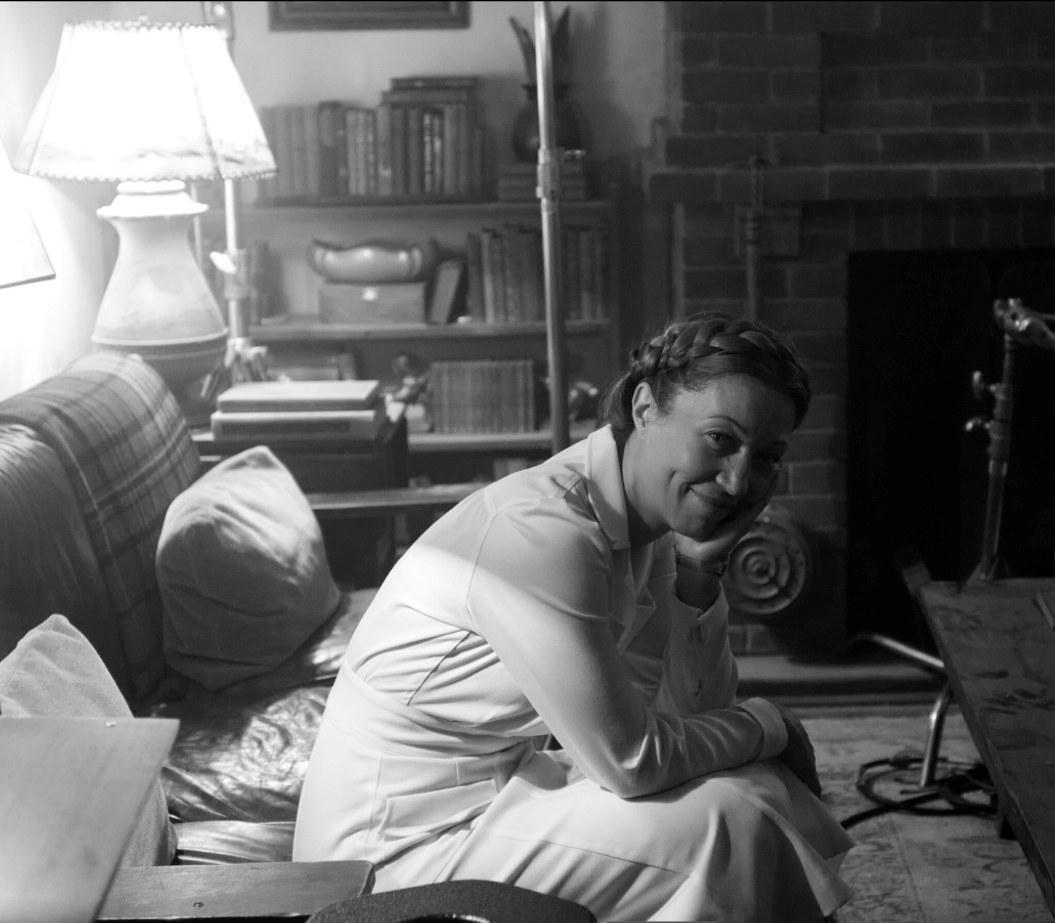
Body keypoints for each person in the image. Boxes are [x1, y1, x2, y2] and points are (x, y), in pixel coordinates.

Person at [291, 314, 854, 921]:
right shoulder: (542, 532)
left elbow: (683, 723)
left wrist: (699, 571)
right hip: (388, 853)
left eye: (767, 457)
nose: (740, 481)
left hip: (493, 797)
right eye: (720, 439)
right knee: (729, 821)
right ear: (645, 408)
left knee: (753, 783)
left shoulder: (642, 530)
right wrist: (770, 722)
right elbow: (631, 761)